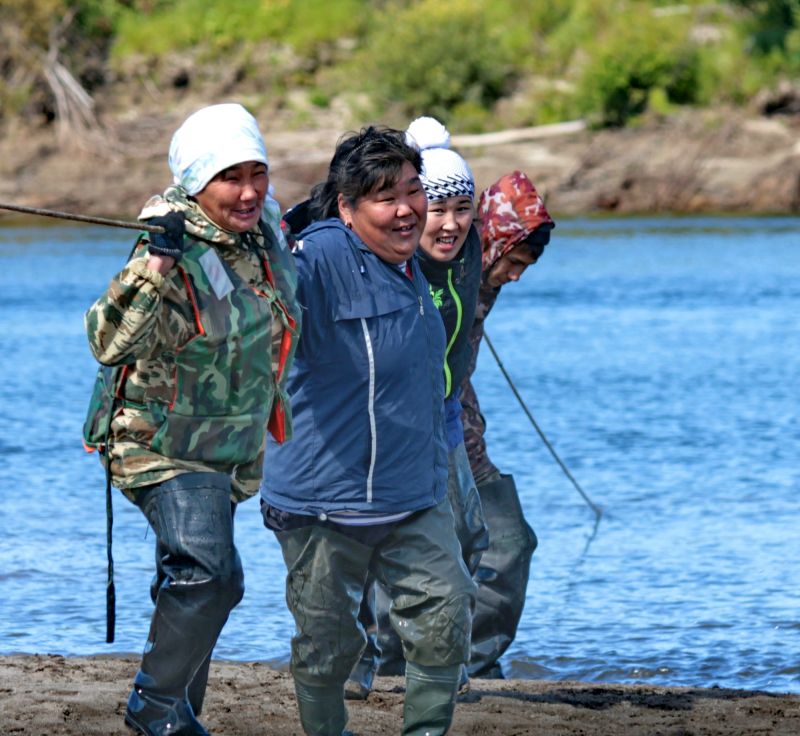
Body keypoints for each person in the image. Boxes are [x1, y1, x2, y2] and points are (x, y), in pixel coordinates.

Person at [83, 102, 300, 736]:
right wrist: (155, 264)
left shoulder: (263, 232)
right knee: (211, 574)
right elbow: (105, 340)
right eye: (231, 176)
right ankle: (153, 711)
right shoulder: (167, 242)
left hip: (225, 447)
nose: (249, 189)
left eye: (257, 172)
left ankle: (178, 717)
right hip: (158, 443)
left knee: (193, 580)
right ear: (197, 180)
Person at [260, 125, 476, 736]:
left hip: (412, 494)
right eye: (387, 197)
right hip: (322, 502)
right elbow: (272, 281)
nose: (409, 209)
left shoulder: (424, 260)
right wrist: (263, 243)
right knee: (327, 648)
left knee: (445, 620)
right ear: (348, 209)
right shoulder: (320, 257)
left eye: (415, 191)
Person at [347, 117, 489, 696]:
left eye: (462, 207)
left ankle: (441, 659)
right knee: (359, 543)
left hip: (446, 415)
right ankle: (356, 664)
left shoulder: (471, 247)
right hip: (383, 420)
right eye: (437, 209)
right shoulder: (391, 262)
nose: (450, 223)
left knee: (470, 535)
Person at [460, 170, 555, 678]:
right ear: (494, 240)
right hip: (419, 433)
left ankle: (470, 657)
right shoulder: (441, 266)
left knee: (506, 541)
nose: (516, 275)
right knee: (506, 540)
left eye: (526, 267)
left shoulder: (483, 275)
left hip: (459, 427)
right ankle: (459, 663)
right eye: (514, 262)